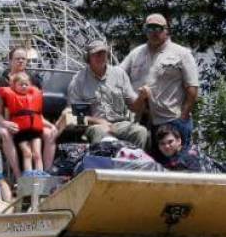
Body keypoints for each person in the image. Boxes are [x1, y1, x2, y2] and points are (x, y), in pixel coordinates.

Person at [118, 13, 199, 149]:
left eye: (158, 28)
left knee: (174, 165)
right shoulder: (136, 53)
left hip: (171, 120)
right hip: (142, 121)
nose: (153, 32)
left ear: (166, 30)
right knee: (144, 164)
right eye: (149, 28)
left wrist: (183, 117)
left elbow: (192, 89)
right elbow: (118, 76)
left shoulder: (181, 53)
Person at [66, 40, 149, 149]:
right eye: (96, 54)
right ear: (88, 58)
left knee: (140, 132)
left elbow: (134, 106)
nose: (101, 57)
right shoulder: (78, 80)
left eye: (103, 53)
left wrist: (142, 97)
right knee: (100, 132)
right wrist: (98, 121)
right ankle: (103, 165)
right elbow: (73, 117)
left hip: (120, 124)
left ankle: (134, 164)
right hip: (94, 126)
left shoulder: (119, 74)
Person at [0, 47, 57, 179]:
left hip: (31, 121)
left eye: (24, 59)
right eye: (17, 59)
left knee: (50, 132)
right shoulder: (3, 81)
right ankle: (17, 175)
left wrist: (50, 125)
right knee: (5, 133)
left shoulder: (33, 80)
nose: (21, 61)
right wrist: (6, 123)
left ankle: (46, 173)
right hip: (8, 120)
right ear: (10, 61)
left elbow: (37, 110)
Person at [0, 72, 45, 174]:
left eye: (26, 84)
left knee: (37, 154)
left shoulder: (35, 95)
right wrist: (7, 124)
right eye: (21, 84)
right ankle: (28, 176)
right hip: (21, 131)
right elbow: (5, 116)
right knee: (27, 153)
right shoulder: (11, 97)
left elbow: (39, 115)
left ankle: (41, 176)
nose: (23, 86)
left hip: (35, 131)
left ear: (30, 85)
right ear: (14, 86)